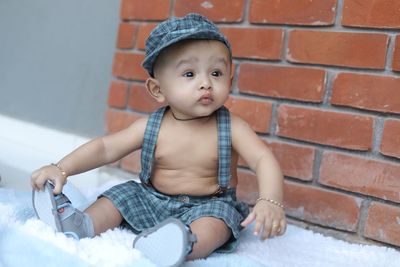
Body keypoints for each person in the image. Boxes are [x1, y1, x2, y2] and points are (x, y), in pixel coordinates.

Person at [31, 13, 286, 266]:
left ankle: (185, 244)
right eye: (189, 74)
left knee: (218, 223)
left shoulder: (232, 128)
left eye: (216, 73)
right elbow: (106, 148)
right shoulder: (151, 126)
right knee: (120, 195)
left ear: (230, 80)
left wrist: (270, 200)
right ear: (158, 89)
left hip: (208, 205)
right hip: (152, 199)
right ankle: (81, 224)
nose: (206, 83)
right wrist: (62, 168)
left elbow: (263, 159)